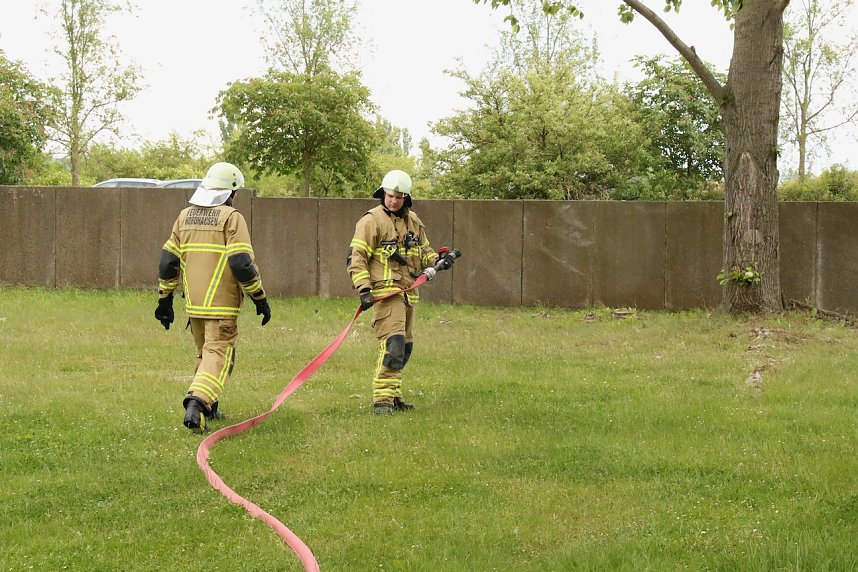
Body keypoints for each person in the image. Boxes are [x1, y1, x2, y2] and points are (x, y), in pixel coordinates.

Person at [154, 162, 271, 432]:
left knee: (204, 355)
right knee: (220, 355)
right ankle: (197, 402)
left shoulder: (185, 217)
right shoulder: (232, 217)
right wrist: (260, 298)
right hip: (222, 306)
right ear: (231, 192)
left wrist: (165, 299)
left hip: (194, 305)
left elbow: (167, 261)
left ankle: (211, 409)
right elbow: (242, 263)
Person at [347, 169, 455, 414]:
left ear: (406, 198)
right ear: (382, 194)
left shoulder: (414, 221)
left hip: (409, 293)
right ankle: (382, 400)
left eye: (398, 196)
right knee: (393, 344)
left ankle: (394, 396)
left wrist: (439, 260)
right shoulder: (371, 221)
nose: (393, 200)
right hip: (386, 293)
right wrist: (364, 288)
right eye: (389, 195)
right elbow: (357, 257)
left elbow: (423, 252)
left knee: (405, 347)